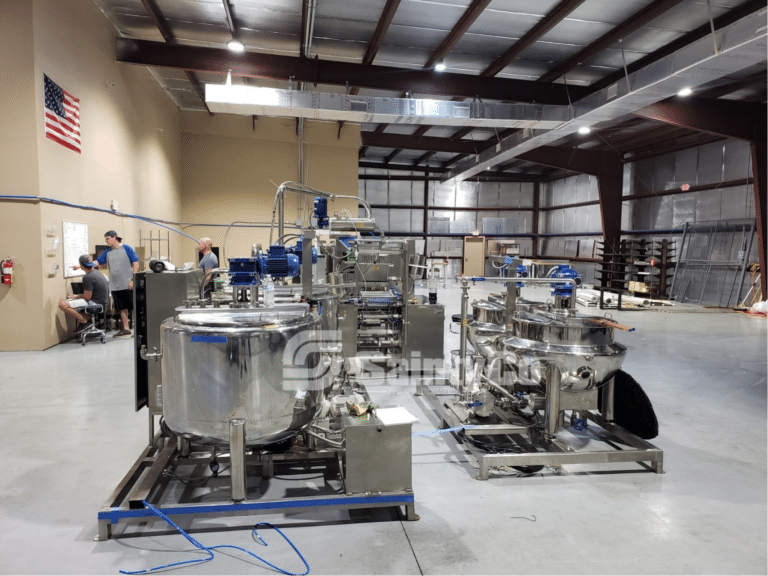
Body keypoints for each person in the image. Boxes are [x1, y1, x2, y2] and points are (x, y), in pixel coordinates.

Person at [95, 230, 139, 338]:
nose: (107, 242)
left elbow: (135, 263)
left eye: (108, 239)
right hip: (115, 285)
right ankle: (126, 328)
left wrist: (133, 279)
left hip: (127, 283)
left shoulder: (126, 248)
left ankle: (139, 328)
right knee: (121, 307)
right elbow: (97, 262)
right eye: (105, 240)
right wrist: (84, 264)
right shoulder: (107, 252)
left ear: (114, 237)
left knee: (134, 306)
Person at [58, 254, 109, 335]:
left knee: (62, 304)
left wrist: (77, 296)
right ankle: (86, 318)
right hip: (102, 303)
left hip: (94, 303)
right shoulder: (97, 272)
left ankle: (84, 321)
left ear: (81, 265)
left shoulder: (87, 277)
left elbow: (87, 297)